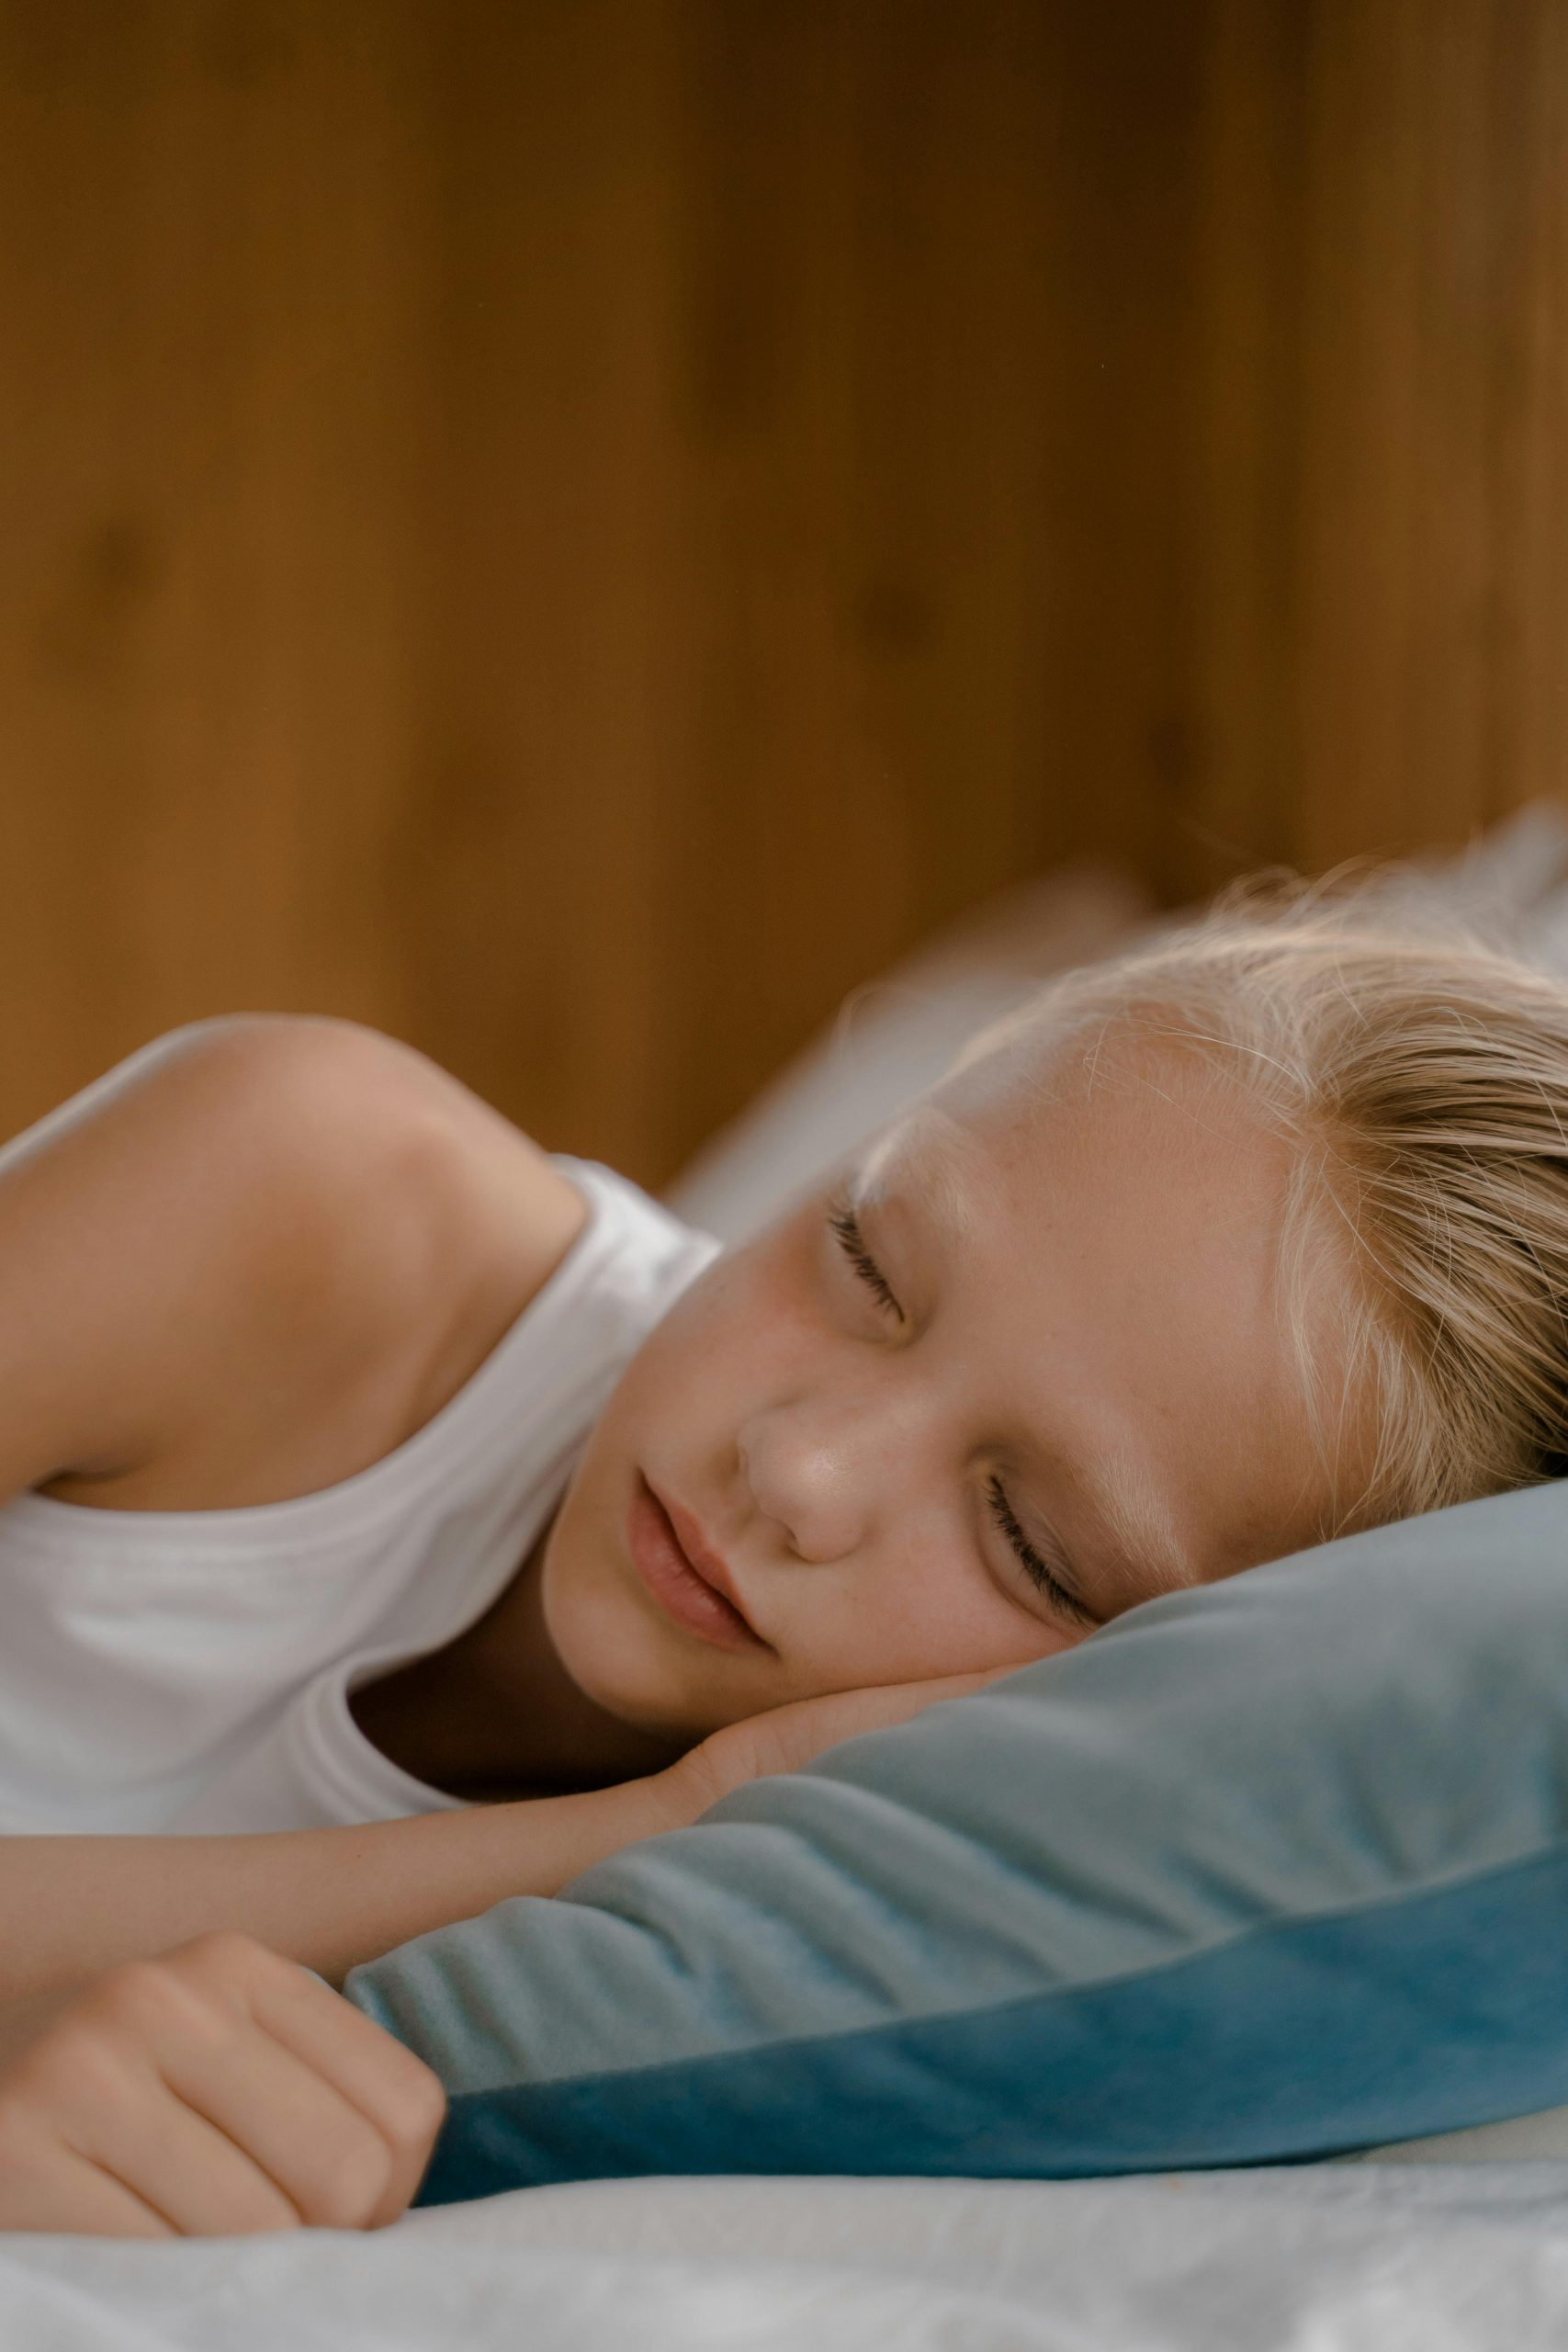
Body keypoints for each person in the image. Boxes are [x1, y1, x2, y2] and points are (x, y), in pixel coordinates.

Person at [4, 899, 1568, 2234]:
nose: (798, 1467)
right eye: (868, 1256)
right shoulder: (309, 1196)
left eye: (1030, 1541)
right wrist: (649, 1823)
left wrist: (677, 1827)